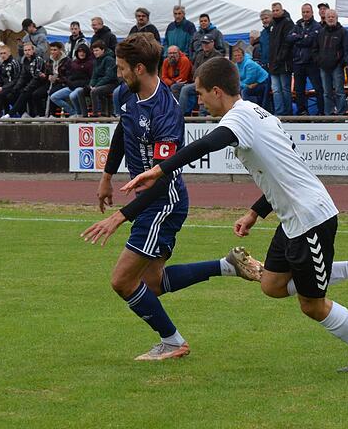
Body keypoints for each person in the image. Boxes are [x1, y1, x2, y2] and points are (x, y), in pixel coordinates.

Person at [120, 56, 348, 372]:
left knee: (312, 305)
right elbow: (283, 171)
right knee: (271, 285)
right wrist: (254, 213)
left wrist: (160, 168)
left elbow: (210, 142)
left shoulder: (237, 119)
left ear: (217, 91)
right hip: (293, 219)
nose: (200, 100)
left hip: (312, 219)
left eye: (200, 93)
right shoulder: (260, 114)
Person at [80, 34, 264, 361]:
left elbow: (162, 184)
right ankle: (228, 266)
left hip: (163, 203)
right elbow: (124, 129)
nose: (118, 74)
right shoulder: (126, 92)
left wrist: (121, 216)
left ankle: (173, 341)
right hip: (147, 199)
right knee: (152, 283)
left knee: (122, 281)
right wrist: (107, 177)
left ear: (139, 68)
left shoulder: (168, 112)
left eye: (123, 68)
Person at [287, 3, 323, 115]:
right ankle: (302, 111)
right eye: (303, 12)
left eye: (307, 12)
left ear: (312, 13)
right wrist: (302, 36)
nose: (305, 14)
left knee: (318, 88)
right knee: (299, 90)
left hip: (311, 62)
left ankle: (321, 111)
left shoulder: (317, 26)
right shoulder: (297, 25)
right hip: (298, 62)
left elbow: (310, 41)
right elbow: (288, 38)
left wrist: (297, 38)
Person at [178, 35, 222, 115]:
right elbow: (195, 70)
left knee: (186, 89)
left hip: (211, 84)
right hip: (199, 82)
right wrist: (198, 80)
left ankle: (182, 115)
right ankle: (182, 114)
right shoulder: (199, 55)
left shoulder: (218, 56)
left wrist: (201, 80)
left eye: (207, 43)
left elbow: (216, 73)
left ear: (213, 43)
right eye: (203, 43)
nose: (205, 45)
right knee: (178, 87)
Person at [315, 9, 347, 115]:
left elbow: (346, 49)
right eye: (329, 16)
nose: (331, 18)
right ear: (325, 18)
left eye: (333, 16)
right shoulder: (321, 32)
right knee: (326, 93)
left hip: (337, 66)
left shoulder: (342, 31)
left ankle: (341, 114)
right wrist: (318, 60)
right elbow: (315, 49)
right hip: (323, 67)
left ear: (336, 18)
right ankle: (329, 114)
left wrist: (341, 62)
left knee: (339, 92)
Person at [50, 43, 93, 117]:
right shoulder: (74, 62)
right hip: (71, 86)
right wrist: (68, 81)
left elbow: (91, 78)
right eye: (79, 52)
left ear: (86, 52)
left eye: (83, 52)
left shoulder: (90, 63)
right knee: (54, 97)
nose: (81, 53)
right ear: (77, 53)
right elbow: (69, 75)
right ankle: (73, 113)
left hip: (82, 87)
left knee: (72, 96)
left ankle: (79, 114)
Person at [4, 42, 46, 118]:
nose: (27, 52)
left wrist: (27, 88)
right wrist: (15, 88)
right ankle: (23, 114)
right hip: (29, 84)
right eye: (25, 50)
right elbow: (23, 77)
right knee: (11, 94)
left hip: (40, 84)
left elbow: (37, 77)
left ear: (33, 50)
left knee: (26, 93)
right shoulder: (25, 61)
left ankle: (9, 114)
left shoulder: (38, 60)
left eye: (29, 50)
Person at [268, 2, 295, 115]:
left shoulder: (288, 23)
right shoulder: (272, 24)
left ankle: (288, 113)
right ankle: (279, 113)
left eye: (277, 10)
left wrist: (280, 58)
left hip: (284, 63)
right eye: (273, 10)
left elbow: (287, 43)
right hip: (273, 62)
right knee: (276, 90)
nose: (275, 12)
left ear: (282, 10)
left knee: (285, 89)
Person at [33, 42, 69, 117]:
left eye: (55, 50)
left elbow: (68, 77)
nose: (52, 52)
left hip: (62, 83)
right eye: (51, 50)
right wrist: (44, 76)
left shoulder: (67, 61)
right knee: (36, 94)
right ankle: (42, 115)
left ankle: (52, 115)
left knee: (52, 92)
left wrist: (57, 79)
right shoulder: (49, 60)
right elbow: (47, 73)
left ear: (60, 50)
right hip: (50, 83)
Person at [86, 40, 118, 116]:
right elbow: (94, 76)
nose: (95, 53)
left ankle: (95, 114)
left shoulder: (109, 59)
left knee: (94, 91)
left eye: (97, 50)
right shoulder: (96, 61)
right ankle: (82, 114)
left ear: (103, 50)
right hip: (101, 84)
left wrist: (96, 85)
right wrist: (91, 85)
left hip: (111, 84)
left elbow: (109, 76)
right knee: (81, 91)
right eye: (94, 51)